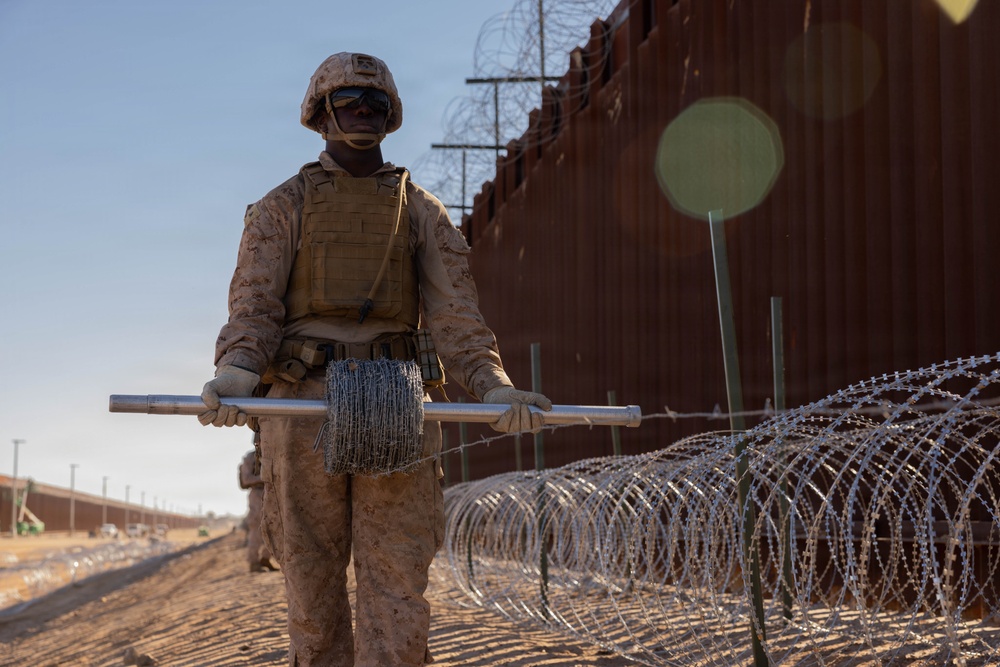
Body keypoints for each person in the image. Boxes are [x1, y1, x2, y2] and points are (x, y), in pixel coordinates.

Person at [198, 51, 552, 667]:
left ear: (391, 118)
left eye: (375, 104)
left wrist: (494, 387)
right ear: (320, 114)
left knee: (397, 575)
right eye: (347, 102)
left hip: (397, 398)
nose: (361, 112)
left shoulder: (421, 211)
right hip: (304, 400)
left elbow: (456, 319)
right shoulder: (281, 207)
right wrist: (236, 375)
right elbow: (254, 306)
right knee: (310, 576)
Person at [238, 445, 276, 572]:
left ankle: (265, 558)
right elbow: (246, 479)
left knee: (275, 528)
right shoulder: (250, 457)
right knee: (256, 529)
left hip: (273, 492)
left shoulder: (273, 452)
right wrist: (265, 476)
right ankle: (253, 563)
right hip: (257, 493)